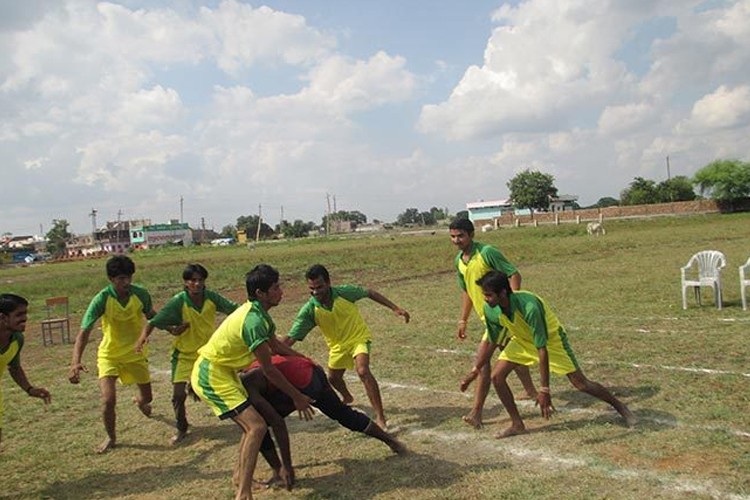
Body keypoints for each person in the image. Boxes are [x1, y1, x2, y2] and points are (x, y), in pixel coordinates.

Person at [460, 271, 636, 438]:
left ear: (503, 292)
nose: (485, 298)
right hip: (521, 340)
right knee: (497, 377)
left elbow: (542, 349)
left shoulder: (529, 307)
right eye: (484, 294)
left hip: (551, 341)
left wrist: (544, 390)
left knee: (581, 384)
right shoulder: (490, 309)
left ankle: (620, 407)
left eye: (489, 294)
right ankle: (517, 425)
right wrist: (476, 370)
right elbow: (492, 341)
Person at [190, 264, 314, 500]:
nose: (281, 291)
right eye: (275, 287)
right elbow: (268, 369)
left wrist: (306, 360)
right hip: (210, 375)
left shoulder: (260, 315)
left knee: (251, 427)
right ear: (260, 293)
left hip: (223, 373)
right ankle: (243, 494)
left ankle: (239, 478)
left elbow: (276, 346)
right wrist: (297, 396)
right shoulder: (253, 321)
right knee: (256, 426)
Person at [240, 355, 407, 489]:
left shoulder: (247, 386)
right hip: (310, 369)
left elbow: (277, 423)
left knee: (258, 426)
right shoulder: (249, 368)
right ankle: (392, 441)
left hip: (306, 381)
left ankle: (279, 471)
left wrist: (287, 466)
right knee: (343, 414)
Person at [283, 264, 409, 430]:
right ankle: (347, 397)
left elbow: (369, 293)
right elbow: (292, 337)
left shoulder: (344, 292)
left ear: (328, 283)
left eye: (319, 287)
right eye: (311, 288)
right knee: (333, 379)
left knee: (363, 371)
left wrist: (395, 308)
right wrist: (270, 349)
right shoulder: (309, 310)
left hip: (358, 338)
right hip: (337, 347)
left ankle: (380, 417)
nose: (316, 292)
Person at [449, 217, 537, 429]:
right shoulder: (459, 260)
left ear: (471, 234)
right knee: (511, 353)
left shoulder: (487, 252)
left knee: (483, 362)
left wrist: (513, 305)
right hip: (489, 317)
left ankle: (477, 412)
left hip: (502, 317)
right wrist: (463, 319)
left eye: (460, 235)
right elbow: (467, 291)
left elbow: (513, 274)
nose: (457, 240)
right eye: (452, 236)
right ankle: (531, 390)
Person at [136, 263, 239, 444]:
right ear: (186, 283)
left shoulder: (212, 298)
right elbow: (155, 320)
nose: (197, 284)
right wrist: (143, 338)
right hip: (184, 355)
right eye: (193, 280)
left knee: (232, 385)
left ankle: (245, 418)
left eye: (200, 280)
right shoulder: (179, 301)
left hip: (208, 353)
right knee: (178, 395)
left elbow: (235, 309)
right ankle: (181, 428)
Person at [69, 255, 156, 454]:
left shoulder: (141, 294)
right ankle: (111, 437)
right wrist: (75, 362)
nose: (126, 282)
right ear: (111, 279)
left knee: (147, 398)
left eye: (128, 278)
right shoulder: (102, 299)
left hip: (136, 353)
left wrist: (173, 327)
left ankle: (140, 402)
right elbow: (84, 332)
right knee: (108, 400)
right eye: (120, 279)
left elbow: (153, 317)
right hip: (110, 355)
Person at [0, 294, 51, 446]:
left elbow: (14, 367)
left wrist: (29, 389)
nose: (25, 318)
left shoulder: (17, 339)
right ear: (3, 317)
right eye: (19, 315)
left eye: (26, 313)